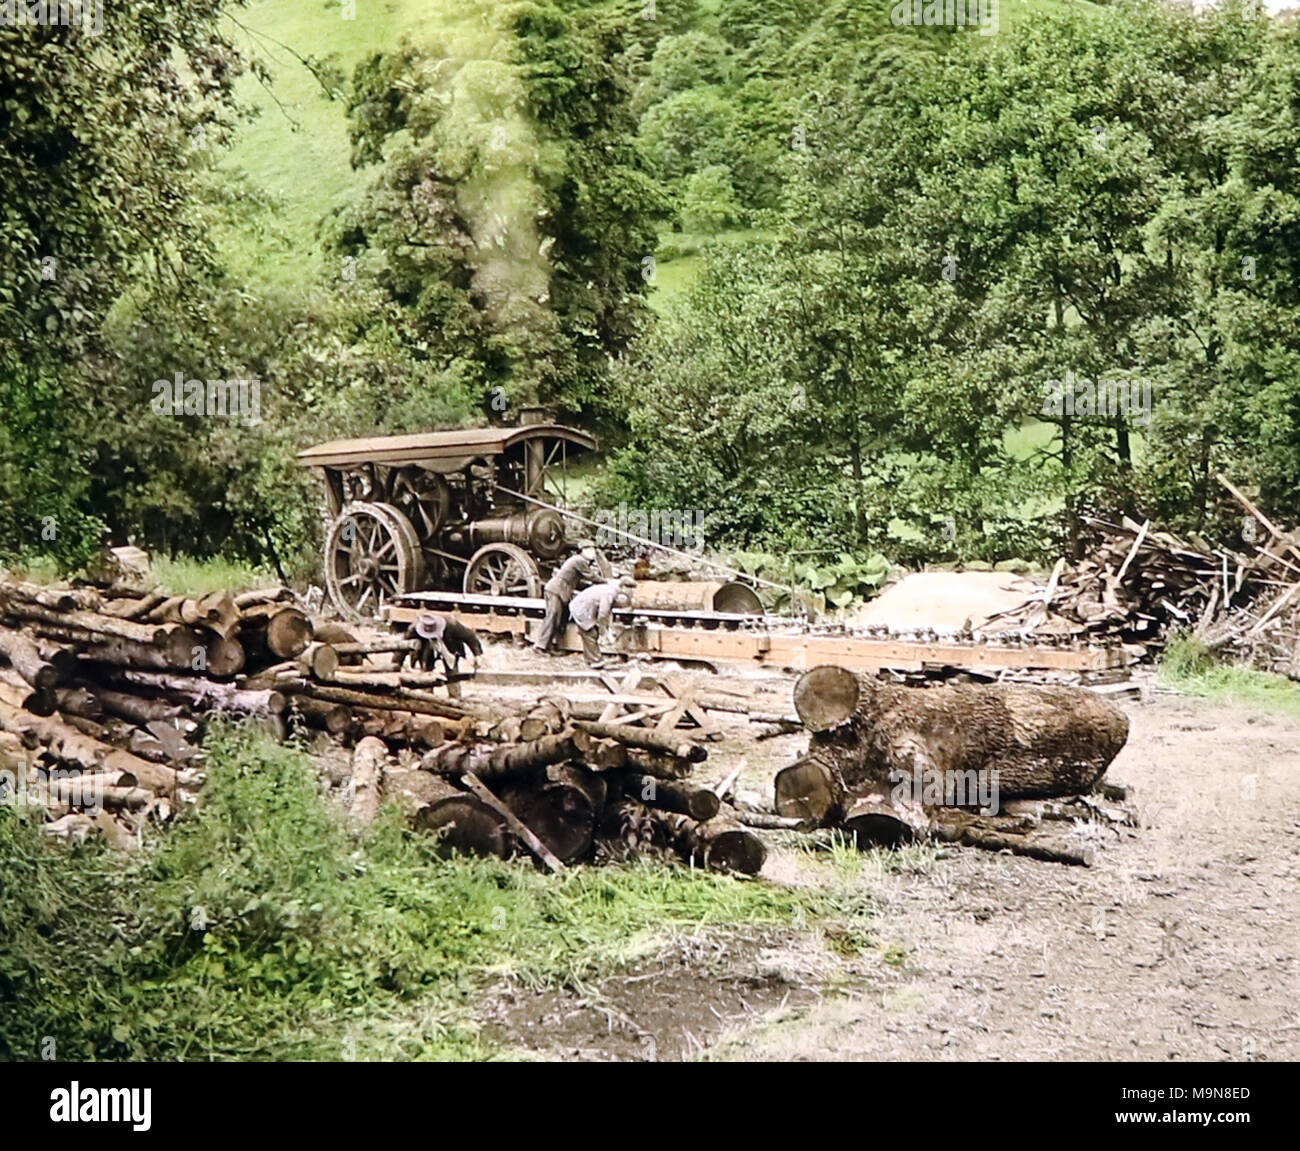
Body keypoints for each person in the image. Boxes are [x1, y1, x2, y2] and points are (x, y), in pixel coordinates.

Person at [533, 545, 598, 654]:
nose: (594, 553)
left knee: (560, 619)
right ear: (583, 551)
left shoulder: (579, 561)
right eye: (591, 550)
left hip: (562, 591)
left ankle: (551, 646)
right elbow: (591, 576)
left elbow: (580, 581)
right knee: (552, 616)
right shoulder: (579, 560)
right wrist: (607, 582)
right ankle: (540, 646)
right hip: (556, 590)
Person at [404, 613, 482, 696]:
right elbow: (403, 645)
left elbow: (470, 636)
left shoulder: (451, 625)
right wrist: (396, 663)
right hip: (426, 648)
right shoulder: (414, 628)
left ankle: (455, 697)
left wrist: (477, 655)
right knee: (426, 671)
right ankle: (427, 696)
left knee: (452, 672)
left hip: (450, 647)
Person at [568, 575, 635, 667]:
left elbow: (608, 612)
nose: (631, 592)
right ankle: (596, 661)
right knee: (591, 633)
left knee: (589, 634)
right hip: (581, 608)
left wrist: (609, 628)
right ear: (623, 587)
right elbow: (603, 613)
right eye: (629, 588)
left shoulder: (613, 590)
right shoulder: (610, 592)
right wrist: (603, 631)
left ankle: (590, 660)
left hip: (587, 608)